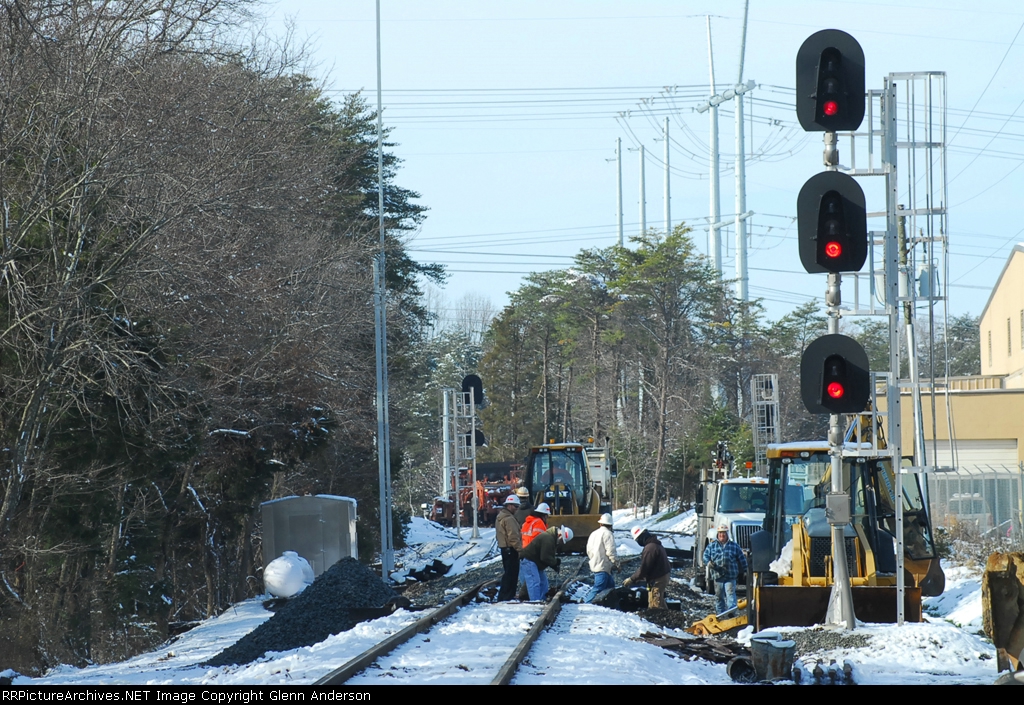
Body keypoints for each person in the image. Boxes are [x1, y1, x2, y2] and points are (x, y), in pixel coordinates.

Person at [702, 523, 748, 616]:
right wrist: (708, 563)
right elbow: (705, 556)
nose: (722, 535)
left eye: (724, 533)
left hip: (730, 575)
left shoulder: (734, 546)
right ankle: (720, 614)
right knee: (719, 596)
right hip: (718, 575)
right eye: (720, 533)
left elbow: (742, 558)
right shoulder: (712, 546)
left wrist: (746, 570)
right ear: (717, 535)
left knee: (730, 594)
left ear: (727, 534)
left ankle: (731, 613)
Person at [519, 525, 573, 601]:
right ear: (560, 535)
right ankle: (535, 602)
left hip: (535, 562)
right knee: (534, 582)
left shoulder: (551, 538)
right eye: (561, 540)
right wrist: (554, 563)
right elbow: (545, 557)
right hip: (529, 560)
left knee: (543, 582)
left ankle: (542, 599)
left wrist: (554, 562)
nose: (561, 542)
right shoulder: (548, 539)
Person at [623, 526, 670, 609]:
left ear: (642, 537)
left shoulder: (650, 548)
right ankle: (667, 617)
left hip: (658, 579)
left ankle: (657, 620)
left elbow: (644, 568)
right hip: (661, 576)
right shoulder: (655, 544)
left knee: (654, 604)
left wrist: (632, 579)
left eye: (637, 540)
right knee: (660, 601)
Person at [584, 513, 618, 603]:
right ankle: (587, 604)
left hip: (596, 565)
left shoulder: (593, 533)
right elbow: (611, 552)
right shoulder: (608, 534)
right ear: (610, 525)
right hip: (603, 566)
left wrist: (594, 559)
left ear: (600, 523)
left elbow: (588, 550)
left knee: (610, 586)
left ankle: (612, 605)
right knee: (598, 588)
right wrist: (616, 563)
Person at [495, 495, 523, 602]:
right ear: (509, 506)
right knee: (511, 574)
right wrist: (520, 550)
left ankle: (504, 596)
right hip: (511, 550)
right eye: (515, 506)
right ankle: (507, 597)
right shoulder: (509, 519)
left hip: (505, 549)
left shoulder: (501, 516)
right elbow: (513, 537)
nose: (517, 509)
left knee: (508, 573)